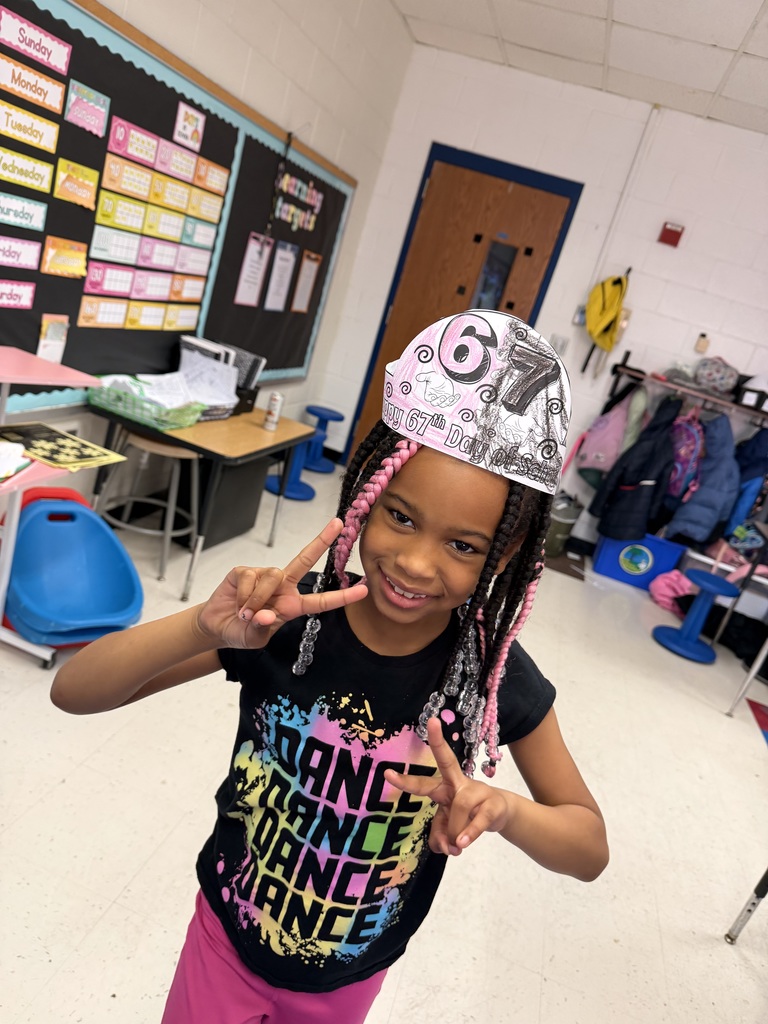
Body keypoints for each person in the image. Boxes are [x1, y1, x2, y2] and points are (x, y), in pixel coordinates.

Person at [51, 310, 609, 1024]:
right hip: (226, 942)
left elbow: (587, 846)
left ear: (503, 556)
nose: (415, 563)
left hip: (350, 979)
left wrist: (502, 810)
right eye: (401, 518)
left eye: (464, 546)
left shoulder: (489, 674)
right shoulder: (287, 619)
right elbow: (75, 691)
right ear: (366, 497)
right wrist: (202, 625)